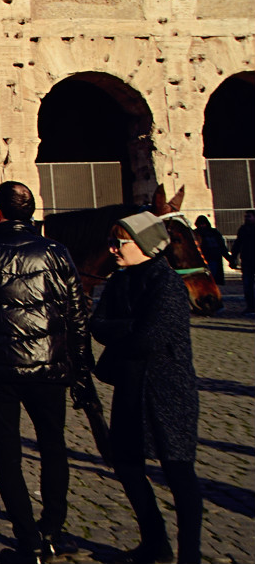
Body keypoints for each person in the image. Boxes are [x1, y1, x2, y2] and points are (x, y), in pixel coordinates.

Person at [0, 181, 93, 564]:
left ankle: (28, 541)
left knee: (7, 456)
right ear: (30, 212)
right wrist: (81, 369)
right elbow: (76, 316)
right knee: (53, 448)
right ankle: (54, 529)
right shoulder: (57, 252)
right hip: (49, 367)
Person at [91, 212, 203, 564]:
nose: (112, 250)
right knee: (125, 464)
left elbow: (149, 339)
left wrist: (123, 330)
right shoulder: (118, 281)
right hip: (129, 385)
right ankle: (156, 542)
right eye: (112, 242)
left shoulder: (166, 283)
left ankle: (190, 555)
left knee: (178, 472)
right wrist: (131, 327)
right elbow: (98, 326)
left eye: (119, 243)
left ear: (144, 244)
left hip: (166, 390)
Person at [192, 216, 228, 287]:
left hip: (211, 258)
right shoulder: (197, 233)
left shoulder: (212, 233)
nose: (202, 226)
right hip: (204, 259)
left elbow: (221, 246)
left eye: (203, 224)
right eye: (200, 224)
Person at [232, 211, 255, 315]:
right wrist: (233, 257)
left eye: (248, 216)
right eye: (246, 217)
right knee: (247, 285)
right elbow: (237, 244)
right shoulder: (243, 229)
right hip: (247, 261)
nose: (246, 218)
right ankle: (250, 306)